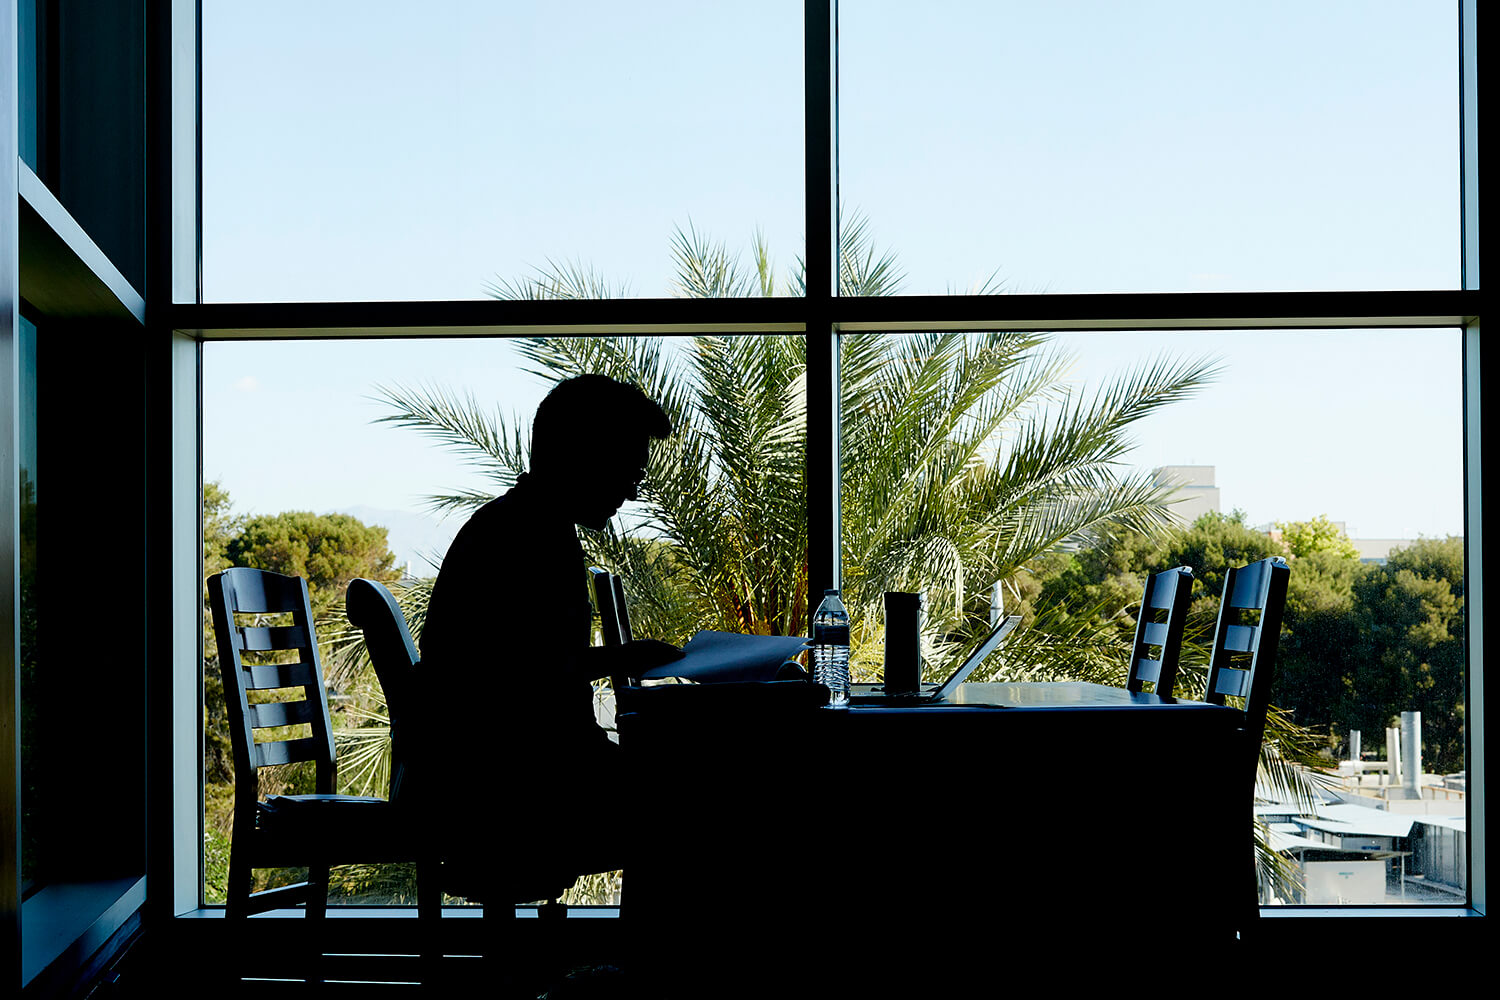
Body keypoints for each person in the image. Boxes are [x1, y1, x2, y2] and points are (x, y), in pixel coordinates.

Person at [417, 373, 684, 897]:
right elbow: (522, 681)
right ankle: (658, 971)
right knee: (701, 810)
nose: (634, 486)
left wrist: (618, 658)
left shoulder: (514, 527)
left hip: (489, 778)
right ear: (583, 453)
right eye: (628, 467)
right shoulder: (532, 541)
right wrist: (621, 658)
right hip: (515, 794)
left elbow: (515, 667)